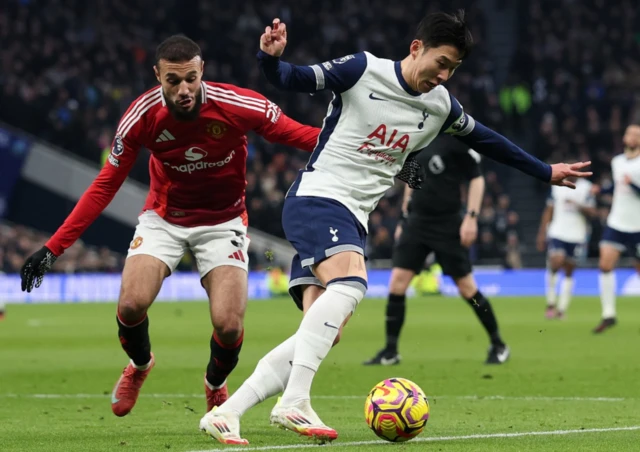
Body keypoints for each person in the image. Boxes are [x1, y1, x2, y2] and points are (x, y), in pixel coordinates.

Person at [199, 11, 591, 445]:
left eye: (454, 69)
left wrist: (543, 170)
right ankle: (294, 401)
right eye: (441, 62)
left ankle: (227, 412)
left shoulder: (441, 105)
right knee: (350, 285)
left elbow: (487, 139)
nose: (444, 75)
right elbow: (293, 78)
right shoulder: (363, 70)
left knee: (323, 331)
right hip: (320, 196)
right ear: (415, 48)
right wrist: (269, 59)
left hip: (353, 214)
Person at [19, 35, 320, 417]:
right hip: (164, 219)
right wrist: (52, 249)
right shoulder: (141, 117)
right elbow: (104, 186)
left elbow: (305, 136)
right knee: (130, 305)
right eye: (173, 81)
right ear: (157, 76)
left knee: (228, 326)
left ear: (202, 72)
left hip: (223, 220)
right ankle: (140, 366)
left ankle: (214, 385)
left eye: (191, 78)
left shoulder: (235, 104)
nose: (184, 90)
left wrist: (389, 150)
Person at [363, 134, 510, 367]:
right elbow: (412, 178)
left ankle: (498, 344)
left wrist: (471, 218)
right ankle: (391, 351)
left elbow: (476, 179)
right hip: (417, 223)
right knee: (397, 284)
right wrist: (403, 217)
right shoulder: (417, 137)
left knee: (467, 289)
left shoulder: (456, 140)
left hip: (447, 224)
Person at [591, 124, 640, 333]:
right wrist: (601, 189)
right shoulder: (617, 162)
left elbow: (630, 186)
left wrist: (634, 185)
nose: (631, 136)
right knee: (605, 265)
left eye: (636, 134)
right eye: (628, 133)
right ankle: (608, 314)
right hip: (617, 222)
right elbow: (616, 185)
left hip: (638, 225)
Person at [536, 173, 596, 319]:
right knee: (555, 262)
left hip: (577, 234)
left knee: (569, 270)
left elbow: (593, 213)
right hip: (558, 232)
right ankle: (550, 303)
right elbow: (549, 209)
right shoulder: (557, 186)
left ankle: (562, 308)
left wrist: (577, 204)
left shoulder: (586, 187)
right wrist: (542, 232)